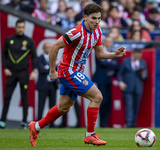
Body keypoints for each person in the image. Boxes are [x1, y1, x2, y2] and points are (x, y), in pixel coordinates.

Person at [29, 3, 126, 147]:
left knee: (63, 107)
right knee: (97, 96)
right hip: (68, 71)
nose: (97, 21)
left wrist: (114, 54)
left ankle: (36, 127)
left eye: (99, 18)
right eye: (94, 18)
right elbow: (55, 46)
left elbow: (99, 54)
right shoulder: (77, 31)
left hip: (76, 72)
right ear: (85, 17)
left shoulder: (97, 31)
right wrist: (52, 70)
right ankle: (90, 135)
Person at [0, 19, 37, 129]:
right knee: (7, 97)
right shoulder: (9, 40)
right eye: (19, 27)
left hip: (23, 73)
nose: (21, 29)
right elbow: (3, 55)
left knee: (24, 97)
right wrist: (5, 68)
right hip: (11, 73)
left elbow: (34, 57)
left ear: (24, 28)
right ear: (15, 27)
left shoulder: (29, 41)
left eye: (22, 27)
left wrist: (34, 70)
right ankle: (2, 121)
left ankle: (24, 121)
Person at [92, 36, 119, 127]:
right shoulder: (100, 51)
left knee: (108, 102)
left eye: (110, 42)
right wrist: (111, 65)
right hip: (101, 80)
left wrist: (109, 64)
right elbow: (102, 62)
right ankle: (100, 122)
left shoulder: (114, 52)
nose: (108, 43)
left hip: (110, 81)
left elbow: (117, 65)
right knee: (101, 101)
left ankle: (105, 122)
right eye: (106, 42)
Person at [118, 48, 148, 127]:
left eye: (139, 55)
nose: (138, 56)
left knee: (136, 106)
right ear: (133, 54)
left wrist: (143, 74)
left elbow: (145, 76)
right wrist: (121, 82)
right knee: (129, 105)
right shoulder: (126, 61)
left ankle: (134, 123)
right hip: (128, 87)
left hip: (138, 87)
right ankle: (129, 123)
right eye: (136, 54)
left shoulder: (143, 62)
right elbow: (120, 73)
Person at [36, 42, 58, 127]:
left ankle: (52, 123)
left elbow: (56, 69)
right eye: (46, 47)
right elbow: (41, 70)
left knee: (52, 106)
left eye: (50, 47)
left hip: (53, 85)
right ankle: (38, 123)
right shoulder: (39, 58)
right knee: (41, 105)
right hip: (43, 85)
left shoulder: (53, 57)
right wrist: (51, 67)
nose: (48, 49)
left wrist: (47, 67)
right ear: (43, 48)